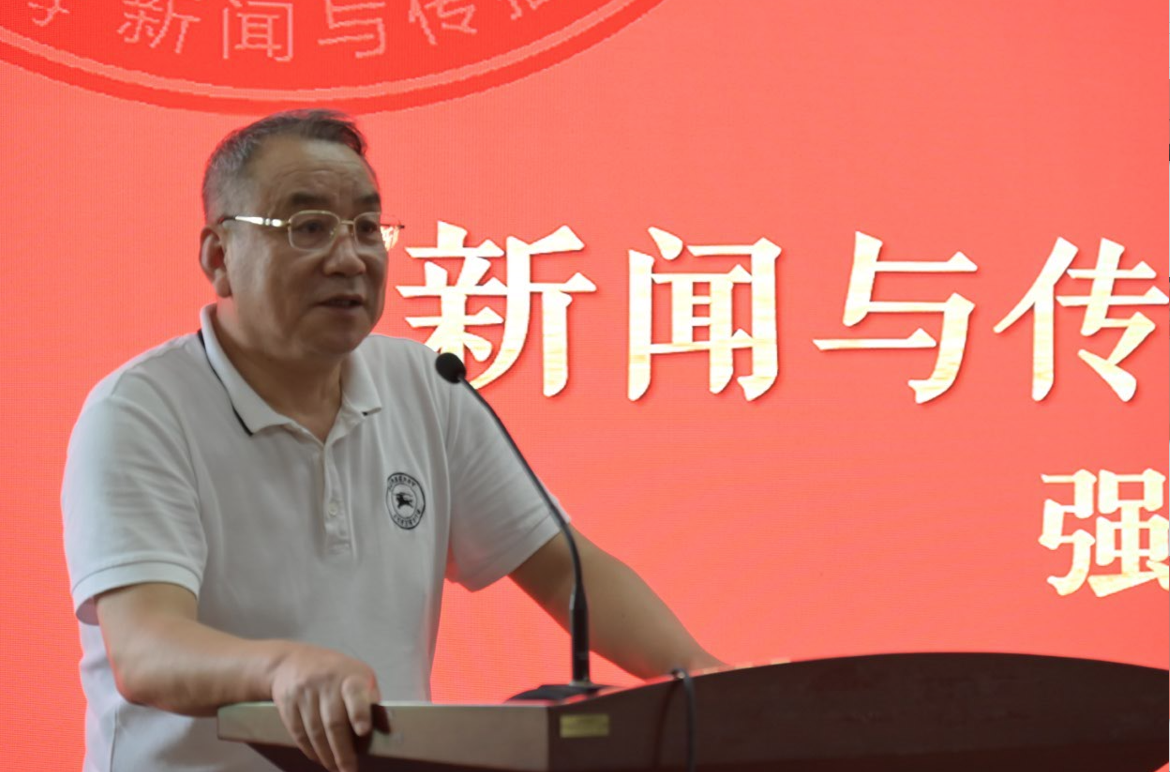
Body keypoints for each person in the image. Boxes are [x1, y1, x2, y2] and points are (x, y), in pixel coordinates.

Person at [61, 110, 722, 772]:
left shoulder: (424, 384)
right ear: (219, 256)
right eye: (309, 227)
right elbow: (145, 650)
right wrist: (280, 668)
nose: (349, 257)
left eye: (366, 227)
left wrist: (708, 682)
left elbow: (563, 568)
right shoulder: (142, 411)